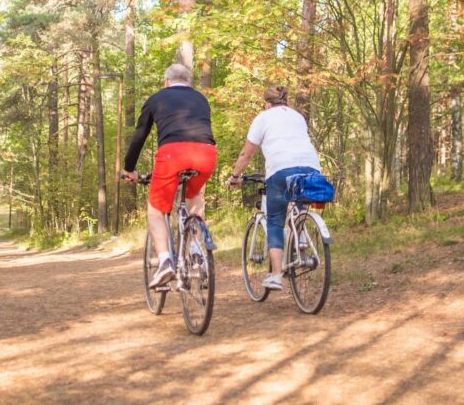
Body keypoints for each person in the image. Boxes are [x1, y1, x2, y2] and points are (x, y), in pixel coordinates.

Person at [122, 63, 217, 288]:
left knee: (156, 210)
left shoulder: (156, 99)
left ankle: (165, 261)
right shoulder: (201, 99)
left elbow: (139, 136)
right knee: (195, 198)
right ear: (189, 82)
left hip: (172, 154)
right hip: (206, 153)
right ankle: (196, 253)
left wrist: (129, 168)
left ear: (166, 81)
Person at [228, 85, 322, 291]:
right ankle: (301, 233)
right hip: (311, 166)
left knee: (275, 220)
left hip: (280, 169)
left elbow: (246, 154)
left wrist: (235, 177)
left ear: (267, 104)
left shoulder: (263, 117)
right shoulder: (297, 116)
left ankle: (277, 275)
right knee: (300, 201)